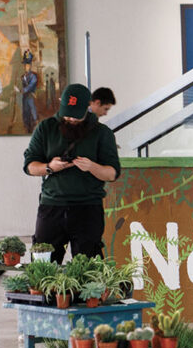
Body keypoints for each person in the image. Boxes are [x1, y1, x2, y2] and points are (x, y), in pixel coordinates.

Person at [24, 85, 121, 263]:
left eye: (75, 115)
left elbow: (112, 173)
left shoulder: (102, 133)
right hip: (51, 207)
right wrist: (50, 167)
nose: (69, 118)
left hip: (87, 208)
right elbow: (30, 166)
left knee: (88, 269)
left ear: (88, 107)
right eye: (66, 113)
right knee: (43, 265)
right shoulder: (46, 128)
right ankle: (51, 293)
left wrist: (92, 166)